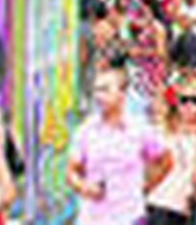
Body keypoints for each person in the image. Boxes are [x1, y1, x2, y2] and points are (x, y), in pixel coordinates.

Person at [67, 60, 173, 225]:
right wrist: (83, 187)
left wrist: (144, 188)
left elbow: (165, 161)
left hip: (129, 217)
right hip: (92, 219)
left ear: (122, 94)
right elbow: (71, 173)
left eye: (105, 90)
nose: (98, 96)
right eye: (96, 90)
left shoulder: (139, 129)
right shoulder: (86, 131)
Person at [148, 76, 196, 225]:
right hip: (155, 202)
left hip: (185, 209)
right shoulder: (162, 131)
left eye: (195, 100)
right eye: (184, 100)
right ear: (176, 102)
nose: (189, 105)